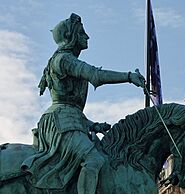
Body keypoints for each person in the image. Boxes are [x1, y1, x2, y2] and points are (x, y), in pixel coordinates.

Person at [21, 13, 145, 194]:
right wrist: (128, 77)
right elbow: (96, 75)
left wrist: (93, 125)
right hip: (60, 123)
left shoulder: (63, 60)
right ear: (70, 37)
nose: (87, 37)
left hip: (70, 120)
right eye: (82, 33)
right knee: (93, 159)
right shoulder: (64, 59)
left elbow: (71, 106)